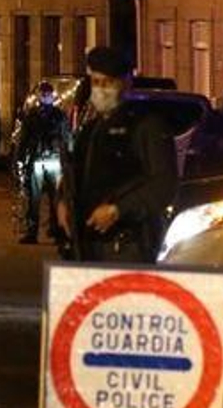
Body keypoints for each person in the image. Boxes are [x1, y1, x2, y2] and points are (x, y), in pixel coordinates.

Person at [58, 47, 178, 263]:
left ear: (126, 82)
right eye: (96, 82)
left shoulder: (146, 126)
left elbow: (164, 184)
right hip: (87, 243)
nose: (101, 90)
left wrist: (118, 210)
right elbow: (75, 172)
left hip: (128, 244)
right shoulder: (92, 128)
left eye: (108, 83)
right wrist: (62, 202)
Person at [13, 81, 72, 244]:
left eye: (48, 94)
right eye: (43, 94)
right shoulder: (33, 115)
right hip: (37, 160)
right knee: (34, 198)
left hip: (54, 160)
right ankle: (32, 231)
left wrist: (69, 159)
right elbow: (24, 139)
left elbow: (67, 138)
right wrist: (18, 159)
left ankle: (58, 231)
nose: (46, 97)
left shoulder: (59, 116)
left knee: (56, 197)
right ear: (40, 96)